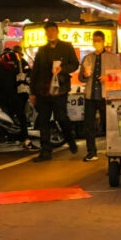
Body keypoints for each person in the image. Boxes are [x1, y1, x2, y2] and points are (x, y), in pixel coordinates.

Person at [29, 22, 79, 162]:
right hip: (43, 91)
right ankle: (45, 151)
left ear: (57, 32)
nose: (50, 33)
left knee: (61, 117)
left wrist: (62, 69)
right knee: (43, 120)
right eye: (48, 31)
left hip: (60, 90)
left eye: (53, 30)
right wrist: (32, 92)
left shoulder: (66, 47)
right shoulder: (42, 50)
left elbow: (75, 64)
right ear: (45, 33)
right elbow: (35, 72)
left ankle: (70, 139)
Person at [78, 31, 121, 162]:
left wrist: (108, 78)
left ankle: (112, 150)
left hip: (106, 95)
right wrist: (85, 75)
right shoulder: (87, 58)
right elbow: (81, 78)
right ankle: (91, 151)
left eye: (98, 40)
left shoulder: (112, 57)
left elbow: (120, 75)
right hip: (90, 95)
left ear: (103, 41)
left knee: (109, 124)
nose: (96, 43)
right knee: (89, 125)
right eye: (94, 40)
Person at [12, 45, 36, 150]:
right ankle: (25, 138)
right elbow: (29, 75)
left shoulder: (15, 63)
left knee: (20, 114)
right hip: (20, 92)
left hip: (16, 92)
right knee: (21, 115)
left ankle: (22, 136)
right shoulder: (21, 63)